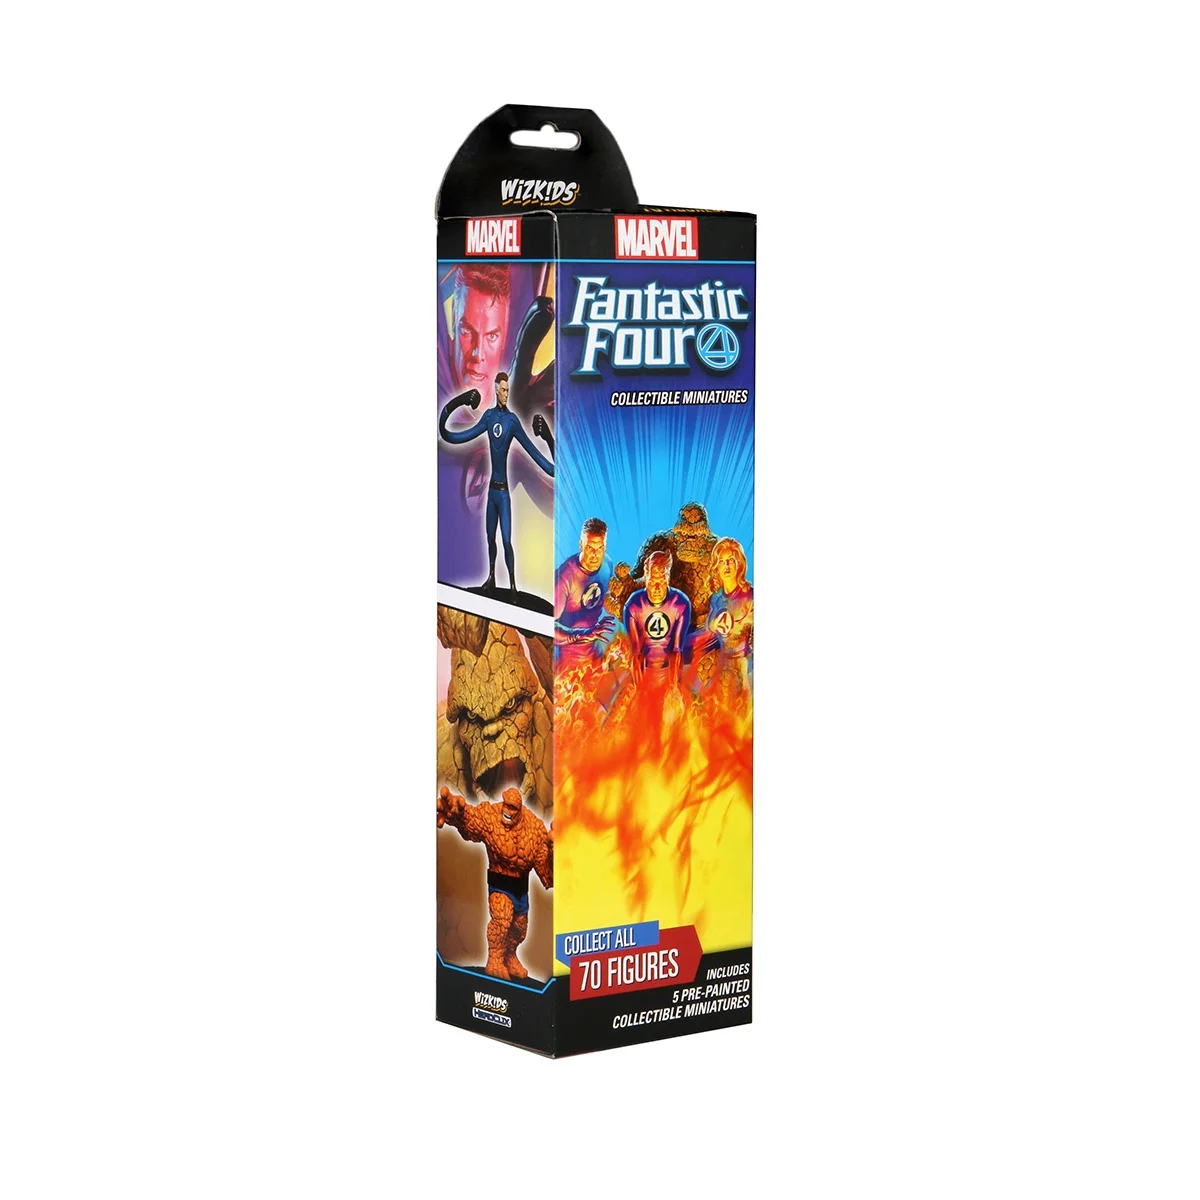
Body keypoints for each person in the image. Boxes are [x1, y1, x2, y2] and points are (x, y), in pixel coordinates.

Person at [438, 371, 554, 593]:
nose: (506, 394)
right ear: (496, 390)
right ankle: (491, 577)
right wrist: (459, 401)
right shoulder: (489, 418)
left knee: (507, 541)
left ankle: (513, 586)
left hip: (503, 495)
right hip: (492, 494)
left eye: (508, 390)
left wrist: (548, 438)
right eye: (503, 390)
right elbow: (450, 435)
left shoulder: (512, 422)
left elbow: (550, 468)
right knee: (490, 538)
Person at [437, 786, 552, 981]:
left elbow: (547, 876)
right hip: (500, 884)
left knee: (519, 930)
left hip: (520, 890)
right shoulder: (491, 817)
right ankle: (495, 959)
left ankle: (509, 956)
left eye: (512, 808)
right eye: (506, 805)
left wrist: (555, 854)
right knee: (502, 920)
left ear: (519, 810)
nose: (507, 811)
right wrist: (456, 814)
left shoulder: (535, 829)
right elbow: (471, 821)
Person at [622, 550, 691, 705]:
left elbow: (676, 650)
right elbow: (636, 653)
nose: (658, 588)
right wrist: (640, 691)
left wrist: (673, 688)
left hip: (671, 673)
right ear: (646, 579)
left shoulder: (681, 603)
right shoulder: (633, 605)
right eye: (653, 582)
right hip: (643, 673)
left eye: (662, 581)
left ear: (668, 578)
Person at [554, 517, 615, 671]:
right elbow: (549, 625)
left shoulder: (607, 565)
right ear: (581, 545)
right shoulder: (564, 577)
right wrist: (581, 635)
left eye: (600, 548)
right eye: (590, 548)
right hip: (566, 660)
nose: (595, 555)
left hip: (594, 651)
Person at [706, 537, 754, 696]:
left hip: (746, 667)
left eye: (730, 560)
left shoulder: (751, 597)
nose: (726, 565)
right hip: (722, 668)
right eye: (721, 561)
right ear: (716, 567)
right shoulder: (716, 599)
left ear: (739, 563)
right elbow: (709, 630)